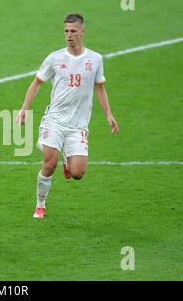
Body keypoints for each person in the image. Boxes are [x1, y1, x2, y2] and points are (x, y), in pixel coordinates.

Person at [16, 13, 119, 218]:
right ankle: (40, 205)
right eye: (66, 31)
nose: (69, 35)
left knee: (77, 174)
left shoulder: (95, 59)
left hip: (78, 125)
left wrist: (108, 114)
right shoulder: (55, 58)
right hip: (54, 120)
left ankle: (68, 161)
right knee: (49, 164)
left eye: (73, 31)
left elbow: (99, 88)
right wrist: (24, 108)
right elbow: (37, 83)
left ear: (82, 32)